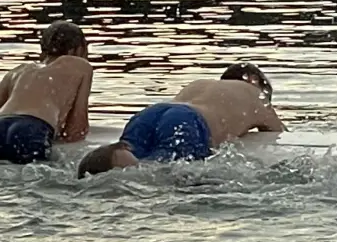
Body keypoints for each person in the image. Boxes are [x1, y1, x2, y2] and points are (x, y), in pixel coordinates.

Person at [76, 63, 285, 178]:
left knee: (127, 166)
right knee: (159, 177)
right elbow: (281, 134)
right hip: (187, 122)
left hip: (153, 113)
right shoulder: (256, 97)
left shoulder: (202, 84)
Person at [0, 20, 93, 164]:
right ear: (78, 49)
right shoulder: (80, 66)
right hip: (32, 131)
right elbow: (77, 130)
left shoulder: (18, 71)